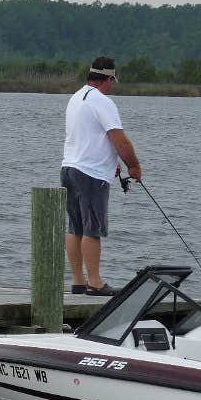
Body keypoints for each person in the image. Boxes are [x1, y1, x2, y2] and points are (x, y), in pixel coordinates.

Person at [61, 56, 142, 296]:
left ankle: (78, 281)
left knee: (74, 226)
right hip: (91, 174)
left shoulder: (75, 98)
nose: (111, 86)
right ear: (107, 79)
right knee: (92, 229)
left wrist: (111, 162)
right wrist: (134, 166)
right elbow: (119, 139)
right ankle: (95, 282)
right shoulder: (103, 102)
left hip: (68, 168)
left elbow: (89, 137)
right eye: (111, 81)